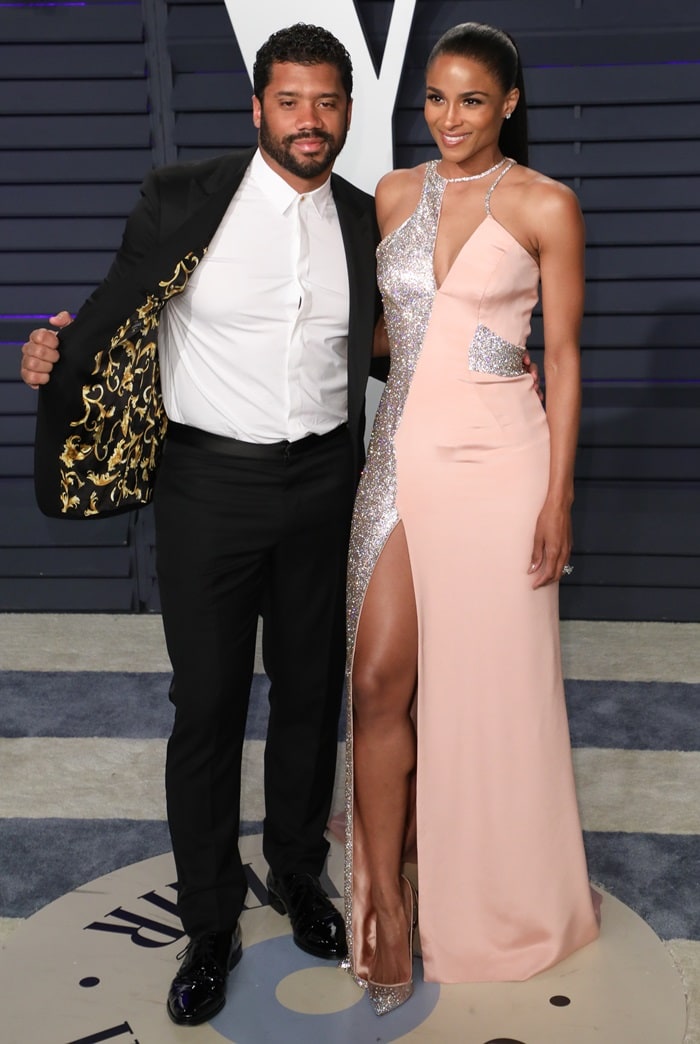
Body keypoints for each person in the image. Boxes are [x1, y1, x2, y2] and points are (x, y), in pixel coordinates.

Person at [20, 23, 385, 1028]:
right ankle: (212, 921)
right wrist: (54, 354)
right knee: (211, 705)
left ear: (345, 113)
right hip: (207, 487)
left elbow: (396, 343)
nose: (309, 121)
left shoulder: (364, 217)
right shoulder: (184, 197)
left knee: (312, 696)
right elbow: (111, 310)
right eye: (290, 101)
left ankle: (300, 880)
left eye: (327, 102)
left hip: (323, 483)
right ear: (257, 107)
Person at [344, 21, 600, 1016]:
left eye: (470, 100)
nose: (449, 119)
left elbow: (568, 356)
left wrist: (558, 495)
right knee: (377, 678)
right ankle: (384, 907)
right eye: (435, 99)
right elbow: (380, 329)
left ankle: (496, 899)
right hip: (400, 457)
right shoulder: (395, 197)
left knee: (489, 693)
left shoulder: (546, 204)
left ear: (509, 106)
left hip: (503, 467)